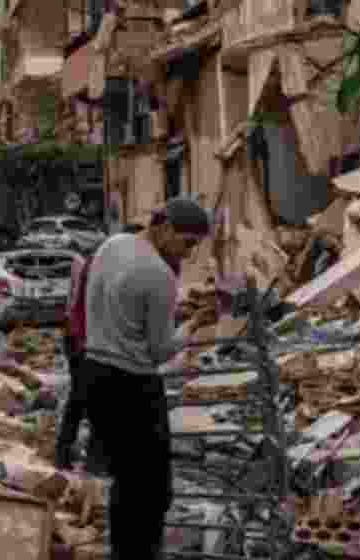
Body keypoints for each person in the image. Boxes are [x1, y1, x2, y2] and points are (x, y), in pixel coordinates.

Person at [82, 197, 211, 560]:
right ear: (165, 227)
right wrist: (195, 324)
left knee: (126, 481)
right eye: (187, 243)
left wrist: (170, 314)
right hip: (132, 383)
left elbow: (123, 307)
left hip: (95, 374)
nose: (188, 254)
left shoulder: (113, 245)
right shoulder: (159, 275)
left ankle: (123, 552)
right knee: (152, 491)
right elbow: (159, 351)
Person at [53, 253, 108, 472]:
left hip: (80, 340)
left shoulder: (93, 263)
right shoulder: (100, 266)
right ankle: (90, 460)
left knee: (82, 399)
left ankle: (67, 453)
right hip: (84, 343)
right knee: (93, 400)